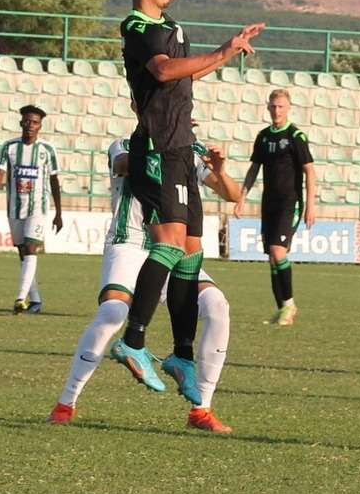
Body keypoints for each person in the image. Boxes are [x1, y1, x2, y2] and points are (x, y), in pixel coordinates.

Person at [108, 0, 264, 391]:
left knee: (192, 251)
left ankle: (180, 354)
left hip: (180, 148)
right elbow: (163, 71)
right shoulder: (138, 26)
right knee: (172, 243)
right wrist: (220, 49)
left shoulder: (171, 26)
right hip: (157, 148)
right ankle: (133, 342)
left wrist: (226, 54)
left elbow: (184, 74)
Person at [51, 134, 246, 432]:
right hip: (129, 245)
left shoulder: (190, 151)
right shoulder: (126, 145)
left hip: (174, 247)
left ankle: (201, 409)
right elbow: (123, 164)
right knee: (112, 312)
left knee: (216, 305)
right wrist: (173, 152)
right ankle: (66, 403)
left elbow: (232, 194)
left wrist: (218, 170)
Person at [242, 88, 318, 325]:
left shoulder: (296, 136)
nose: (277, 110)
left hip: (290, 202)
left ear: (288, 108)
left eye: (281, 106)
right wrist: (242, 197)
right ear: (268, 107)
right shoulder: (264, 136)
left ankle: (290, 305)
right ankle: (282, 309)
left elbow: (309, 171)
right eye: (273, 106)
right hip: (269, 203)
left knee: (278, 251)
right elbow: (254, 169)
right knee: (272, 258)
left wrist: (311, 205)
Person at [0, 104, 63, 313]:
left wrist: (59, 212)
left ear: (40, 126)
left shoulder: (47, 150)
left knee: (30, 247)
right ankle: (35, 300)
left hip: (38, 207)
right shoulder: (9, 147)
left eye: (35, 122)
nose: (30, 125)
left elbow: (54, 180)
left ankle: (20, 298)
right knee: (23, 252)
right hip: (14, 207)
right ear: (21, 123)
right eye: (27, 121)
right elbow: (0, 172)